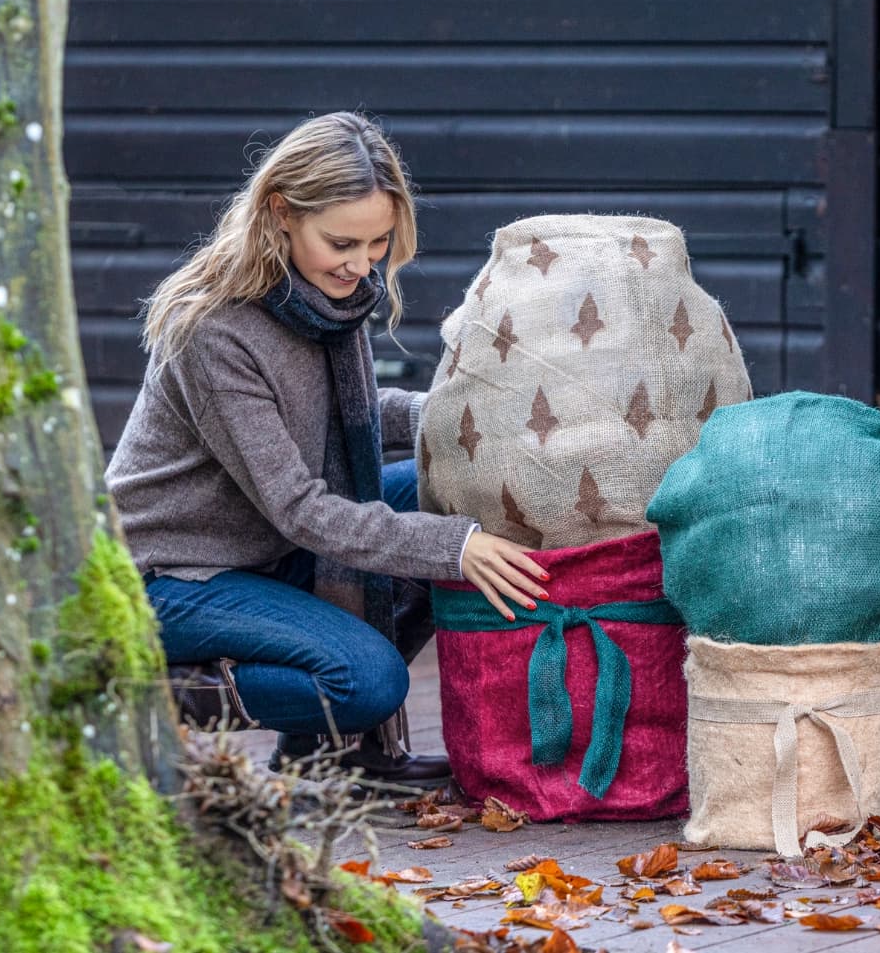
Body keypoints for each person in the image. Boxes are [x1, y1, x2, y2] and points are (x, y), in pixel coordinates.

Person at [104, 111, 549, 783]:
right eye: (342, 242)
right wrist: (450, 546)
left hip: (261, 550)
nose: (362, 263)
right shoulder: (217, 330)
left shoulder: (322, 297)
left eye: (378, 243)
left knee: (453, 486)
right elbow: (300, 507)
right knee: (368, 681)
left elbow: (349, 417)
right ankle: (148, 696)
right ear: (280, 212)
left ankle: (325, 750)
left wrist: (456, 416)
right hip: (171, 575)